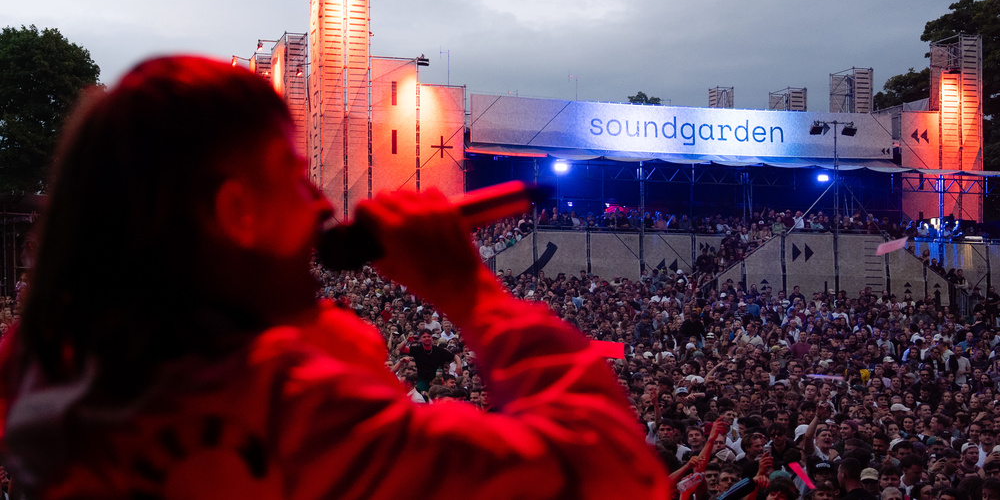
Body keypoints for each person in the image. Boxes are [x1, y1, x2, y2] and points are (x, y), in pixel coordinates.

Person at [0, 56, 667, 498]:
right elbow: (614, 475)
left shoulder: (36, 368)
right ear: (237, 210)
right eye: (297, 177)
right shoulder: (300, 409)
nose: (322, 204)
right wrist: (471, 294)